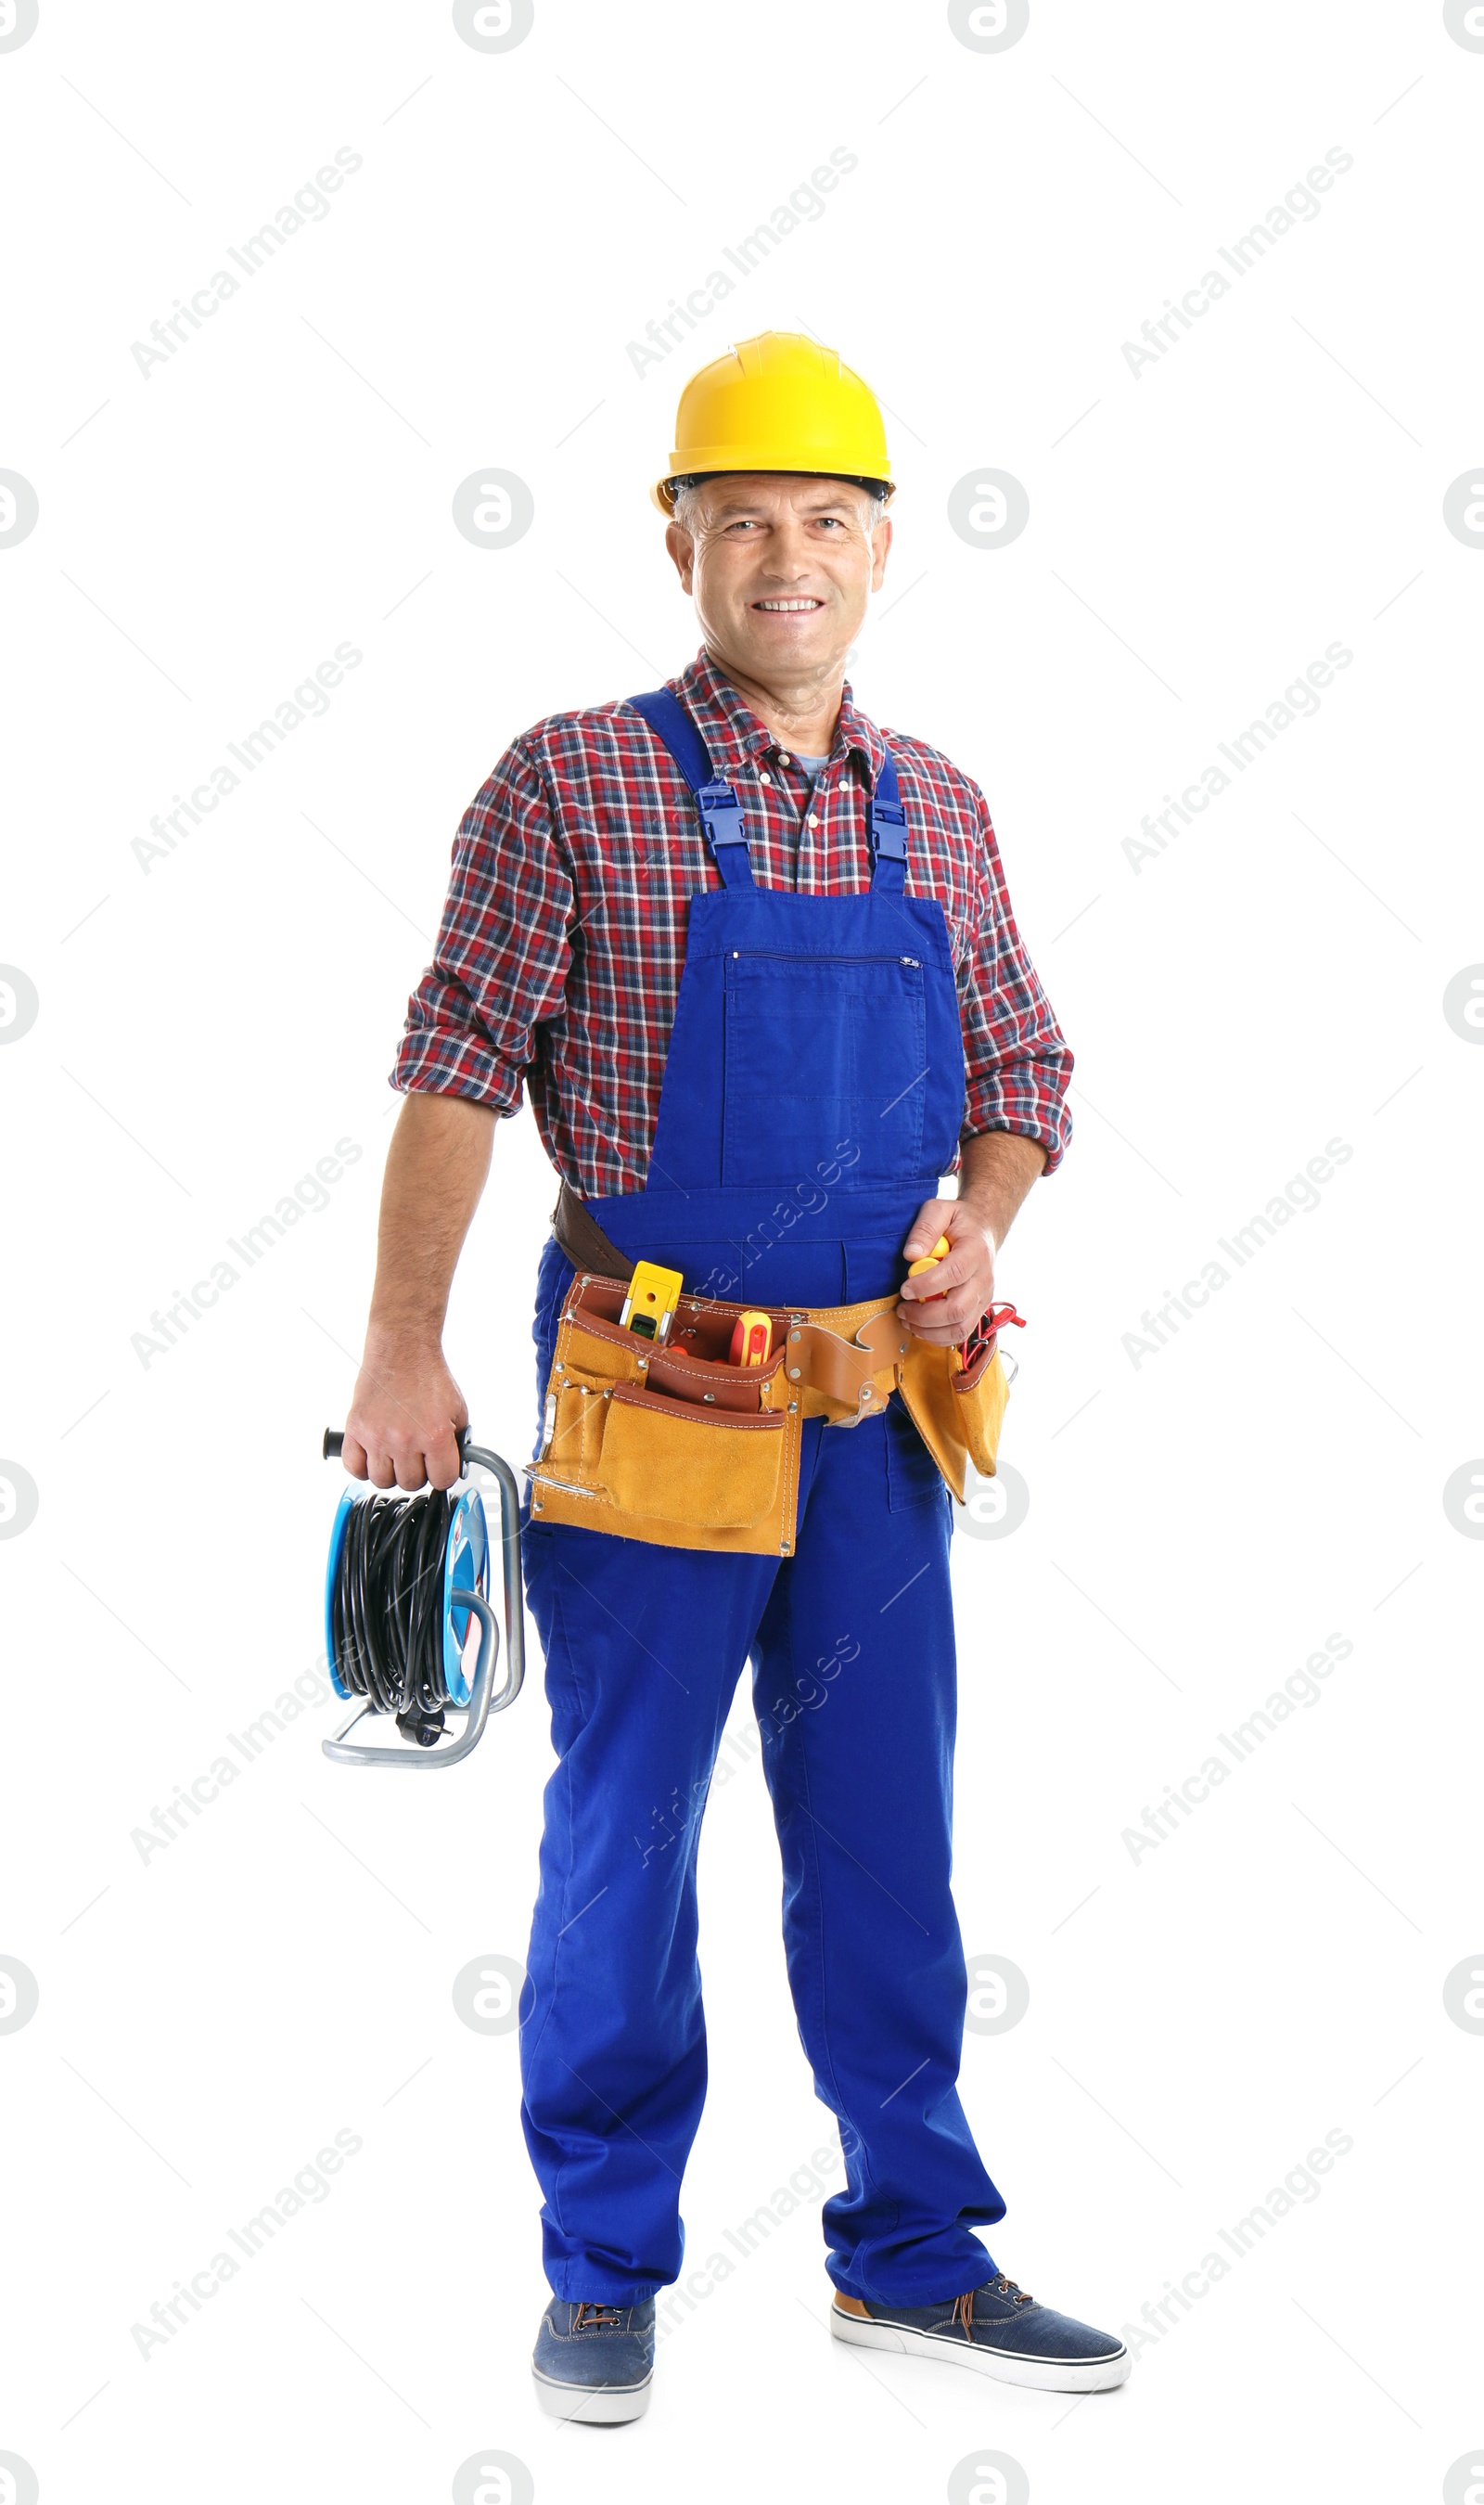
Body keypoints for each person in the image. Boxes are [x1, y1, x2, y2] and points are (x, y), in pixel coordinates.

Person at [339, 331, 1130, 2422]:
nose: (785, 558)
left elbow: (1026, 1077)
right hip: (647, 1397)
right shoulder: (568, 779)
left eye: (826, 523)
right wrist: (400, 1344)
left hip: (873, 1412)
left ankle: (912, 2254)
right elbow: (449, 1072)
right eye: (744, 519)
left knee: (882, 1838)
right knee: (623, 1835)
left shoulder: (937, 806)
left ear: (881, 552)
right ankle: (603, 2261)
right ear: (676, 539)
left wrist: (979, 1228)